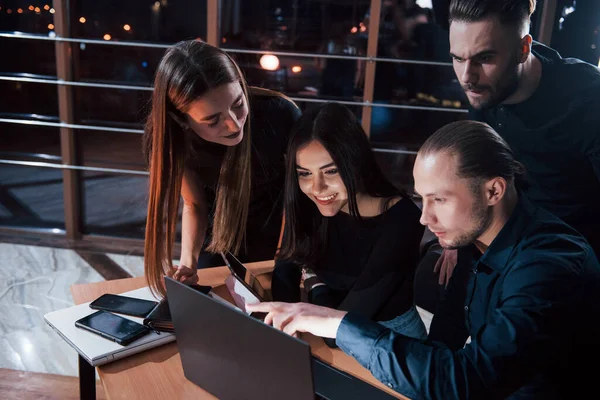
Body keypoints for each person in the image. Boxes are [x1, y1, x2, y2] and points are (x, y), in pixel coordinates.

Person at [248, 120, 600, 399]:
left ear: (494, 190)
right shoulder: (471, 240)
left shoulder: (549, 263)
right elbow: (443, 344)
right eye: (422, 199)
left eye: (439, 200)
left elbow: (469, 381)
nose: (423, 218)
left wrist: (339, 323)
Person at [436, 0, 600, 285]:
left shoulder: (587, 98)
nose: (467, 77)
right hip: (507, 237)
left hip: (573, 256)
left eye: (484, 58)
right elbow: (483, 165)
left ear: (524, 49)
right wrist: (459, 233)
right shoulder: (485, 90)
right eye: (458, 58)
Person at [143, 40, 301, 296]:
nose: (234, 124)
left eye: (238, 103)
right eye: (213, 120)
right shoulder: (173, 141)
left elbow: (301, 200)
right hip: (220, 236)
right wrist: (187, 263)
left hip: (285, 231)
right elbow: (194, 204)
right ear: (180, 119)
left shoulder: (280, 113)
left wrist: (287, 257)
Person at [272, 102, 427, 343]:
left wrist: (315, 286)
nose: (317, 187)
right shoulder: (308, 202)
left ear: (356, 162)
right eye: (304, 173)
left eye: (331, 171)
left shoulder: (402, 220)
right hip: (331, 329)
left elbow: (340, 330)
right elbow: (284, 276)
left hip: (392, 342)